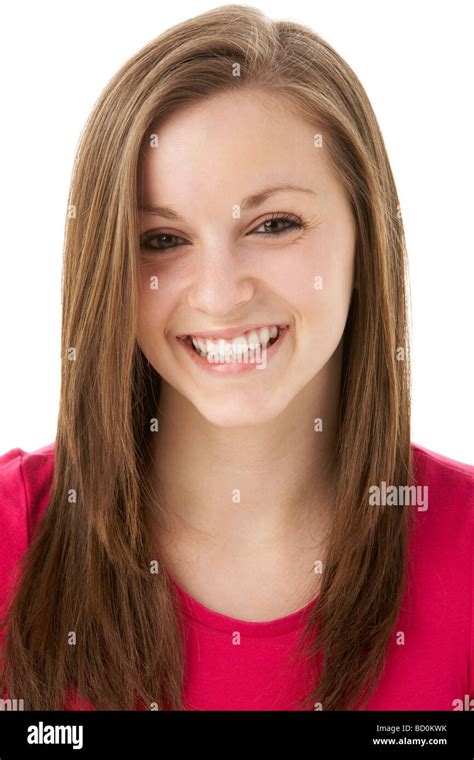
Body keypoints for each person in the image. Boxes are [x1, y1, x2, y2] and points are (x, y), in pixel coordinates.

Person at [1, 5, 472, 712]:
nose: (220, 296)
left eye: (274, 224)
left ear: (364, 236)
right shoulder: (13, 539)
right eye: (162, 240)